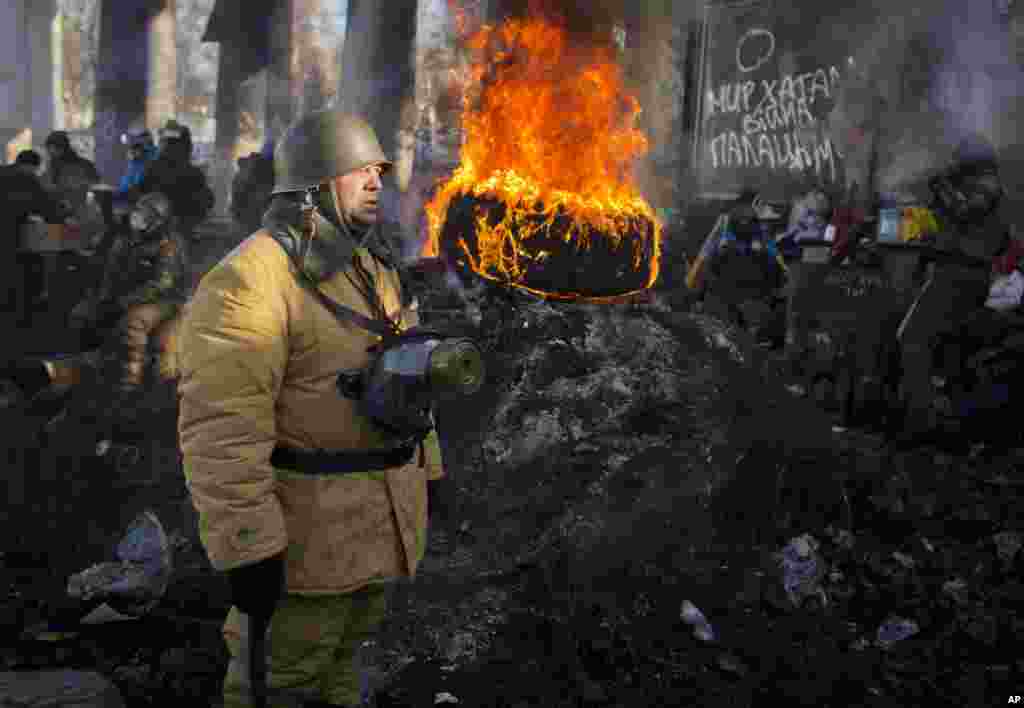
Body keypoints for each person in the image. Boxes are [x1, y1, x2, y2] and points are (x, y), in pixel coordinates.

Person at [177, 109, 447, 708]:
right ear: (313, 186)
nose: (377, 181)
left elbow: (410, 380)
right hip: (303, 549)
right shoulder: (252, 279)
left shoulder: (372, 269)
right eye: (358, 171)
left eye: (378, 168)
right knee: (282, 684)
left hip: (374, 535)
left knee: (342, 675)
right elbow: (222, 433)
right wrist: (247, 546)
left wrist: (429, 473)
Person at [0, 192, 187, 440]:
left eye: (145, 215)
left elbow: (162, 283)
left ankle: (128, 382)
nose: (137, 217)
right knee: (84, 319)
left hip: (162, 300)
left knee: (134, 323)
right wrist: (100, 299)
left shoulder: (167, 244)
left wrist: (122, 302)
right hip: (124, 297)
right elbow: (109, 272)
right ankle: (63, 373)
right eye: (138, 212)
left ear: (158, 219)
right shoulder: (127, 240)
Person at [897, 132, 1009, 438]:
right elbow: (938, 226)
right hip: (956, 272)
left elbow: (961, 213)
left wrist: (942, 188)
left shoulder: (986, 185)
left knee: (912, 339)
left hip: (961, 274)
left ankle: (921, 422)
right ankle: (943, 417)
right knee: (945, 348)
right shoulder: (971, 186)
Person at [0, 150, 63, 332]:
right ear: (31, 166)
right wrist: (62, 217)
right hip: (10, 235)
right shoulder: (27, 180)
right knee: (19, 271)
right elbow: (46, 206)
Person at [134, 120, 215, 241]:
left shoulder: (192, 173)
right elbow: (139, 193)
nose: (168, 147)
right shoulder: (153, 169)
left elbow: (206, 201)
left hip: (178, 230)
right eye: (167, 143)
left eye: (173, 143)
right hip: (157, 229)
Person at [115, 130, 158, 202]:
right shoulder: (134, 159)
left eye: (145, 139)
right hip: (129, 189)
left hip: (139, 190)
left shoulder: (151, 154)